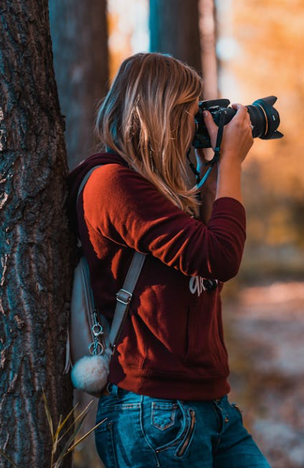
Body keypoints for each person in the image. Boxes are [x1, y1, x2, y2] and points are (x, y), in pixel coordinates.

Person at [67, 52, 271, 467]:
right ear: (164, 113)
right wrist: (231, 162)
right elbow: (219, 257)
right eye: (190, 113)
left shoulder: (159, 188)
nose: (196, 123)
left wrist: (211, 163)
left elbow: (210, 253)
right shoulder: (112, 183)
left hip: (210, 405)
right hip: (154, 412)